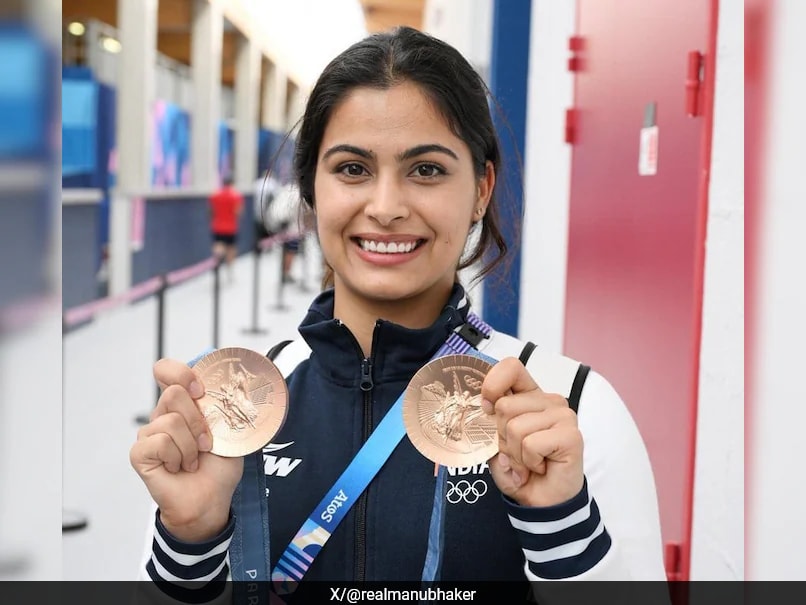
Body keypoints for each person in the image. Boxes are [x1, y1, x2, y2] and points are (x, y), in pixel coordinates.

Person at [130, 26, 667, 603]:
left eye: (427, 170)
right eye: (353, 169)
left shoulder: (570, 407)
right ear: (311, 189)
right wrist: (190, 544)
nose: (385, 208)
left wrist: (562, 529)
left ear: (481, 191)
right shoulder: (232, 411)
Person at [209, 175, 243, 281]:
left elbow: (211, 211)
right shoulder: (236, 196)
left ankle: (217, 263)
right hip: (231, 227)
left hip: (217, 226)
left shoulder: (215, 195)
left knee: (218, 246)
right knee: (231, 249)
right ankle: (229, 271)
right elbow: (238, 212)